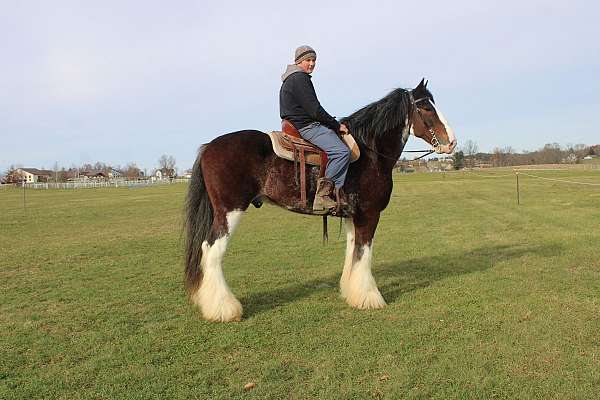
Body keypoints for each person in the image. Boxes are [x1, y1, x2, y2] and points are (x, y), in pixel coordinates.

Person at [279, 45, 350, 212]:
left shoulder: (290, 79)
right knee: (341, 152)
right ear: (299, 61)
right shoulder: (300, 78)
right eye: (308, 60)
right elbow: (315, 110)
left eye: (314, 60)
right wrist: (336, 125)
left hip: (297, 123)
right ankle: (323, 196)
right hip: (306, 126)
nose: (311, 64)